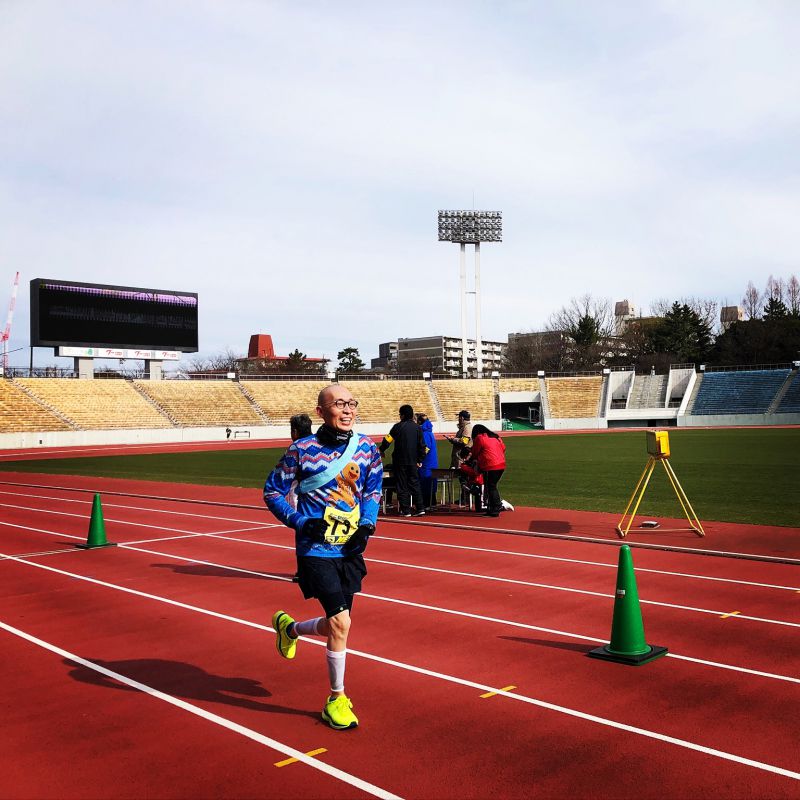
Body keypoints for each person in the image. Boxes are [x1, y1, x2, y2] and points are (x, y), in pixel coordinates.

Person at [264, 384, 383, 731]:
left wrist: (367, 524)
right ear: (321, 412)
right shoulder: (302, 450)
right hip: (315, 550)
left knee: (336, 624)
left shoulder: (367, 447)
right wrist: (301, 522)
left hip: (350, 549)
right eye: (338, 405)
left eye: (351, 404)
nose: (347, 410)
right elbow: (272, 491)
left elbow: (373, 488)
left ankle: (290, 629)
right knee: (342, 623)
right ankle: (336, 698)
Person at [379, 404, 426, 517]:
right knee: (415, 484)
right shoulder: (418, 428)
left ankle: (406, 510)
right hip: (413, 461)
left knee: (402, 485)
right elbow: (422, 446)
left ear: (403, 415)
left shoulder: (397, 427)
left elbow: (387, 440)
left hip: (400, 461)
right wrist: (420, 459)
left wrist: (381, 449)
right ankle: (420, 508)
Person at [468, 424, 506, 517]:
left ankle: (495, 508)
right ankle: (493, 507)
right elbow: (503, 448)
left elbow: (475, 452)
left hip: (490, 465)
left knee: (490, 487)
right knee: (492, 486)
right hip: (501, 464)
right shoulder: (495, 437)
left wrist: (471, 460)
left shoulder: (480, 438)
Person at [416, 412, 438, 509]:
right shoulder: (429, 432)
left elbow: (426, 448)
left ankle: (428, 503)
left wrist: (419, 458)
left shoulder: (425, 434)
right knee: (430, 483)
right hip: (430, 462)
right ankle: (431, 502)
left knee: (426, 482)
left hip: (426, 463)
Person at [455, 445, 484, 511]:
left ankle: (502, 505)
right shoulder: (471, 461)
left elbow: (474, 472)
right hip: (475, 481)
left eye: (465, 457)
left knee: (477, 493)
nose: (464, 459)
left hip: (479, 481)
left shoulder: (475, 460)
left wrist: (463, 467)